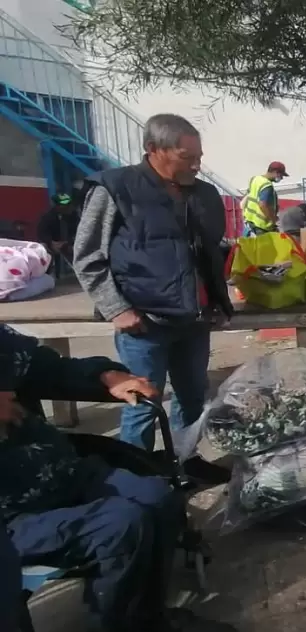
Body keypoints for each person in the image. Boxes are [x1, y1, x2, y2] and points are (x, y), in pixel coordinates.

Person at [0, 324, 236, 632]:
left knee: (157, 496)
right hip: (12, 518)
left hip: (59, 471)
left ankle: (151, 616)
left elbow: (46, 368)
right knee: (121, 525)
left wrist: (107, 377)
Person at [72, 113, 234, 451]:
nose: (196, 166)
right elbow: (88, 257)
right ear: (153, 149)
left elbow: (209, 253)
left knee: (192, 401)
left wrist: (218, 300)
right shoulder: (115, 188)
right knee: (143, 406)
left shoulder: (204, 194)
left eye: (199, 158)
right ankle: (140, 476)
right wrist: (116, 309)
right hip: (143, 323)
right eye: (187, 158)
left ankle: (184, 465)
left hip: (194, 321)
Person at [36, 194, 79, 279]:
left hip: (69, 242)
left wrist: (70, 242)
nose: (67, 207)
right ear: (57, 206)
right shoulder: (48, 217)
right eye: (63, 205)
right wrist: (51, 243)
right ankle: (50, 276)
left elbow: (79, 231)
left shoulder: (74, 216)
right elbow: (42, 233)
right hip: (52, 243)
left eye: (69, 204)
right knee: (43, 249)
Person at [242, 161, 288, 235]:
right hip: (261, 226)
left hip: (249, 221)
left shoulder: (254, 179)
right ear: (275, 172)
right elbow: (262, 205)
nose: (281, 178)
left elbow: (248, 196)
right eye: (281, 175)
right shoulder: (267, 185)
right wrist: (274, 219)